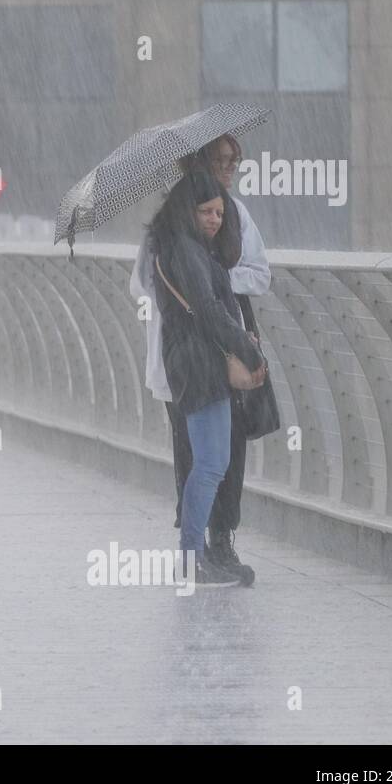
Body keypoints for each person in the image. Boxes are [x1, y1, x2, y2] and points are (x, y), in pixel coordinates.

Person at [132, 134, 271, 584]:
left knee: (221, 455)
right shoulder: (176, 238)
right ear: (198, 163)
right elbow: (145, 285)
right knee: (200, 457)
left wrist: (218, 276)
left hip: (210, 353)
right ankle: (195, 553)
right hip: (198, 356)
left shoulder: (230, 217)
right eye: (219, 159)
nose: (228, 167)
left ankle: (216, 544)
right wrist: (205, 287)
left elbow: (260, 274)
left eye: (234, 160)